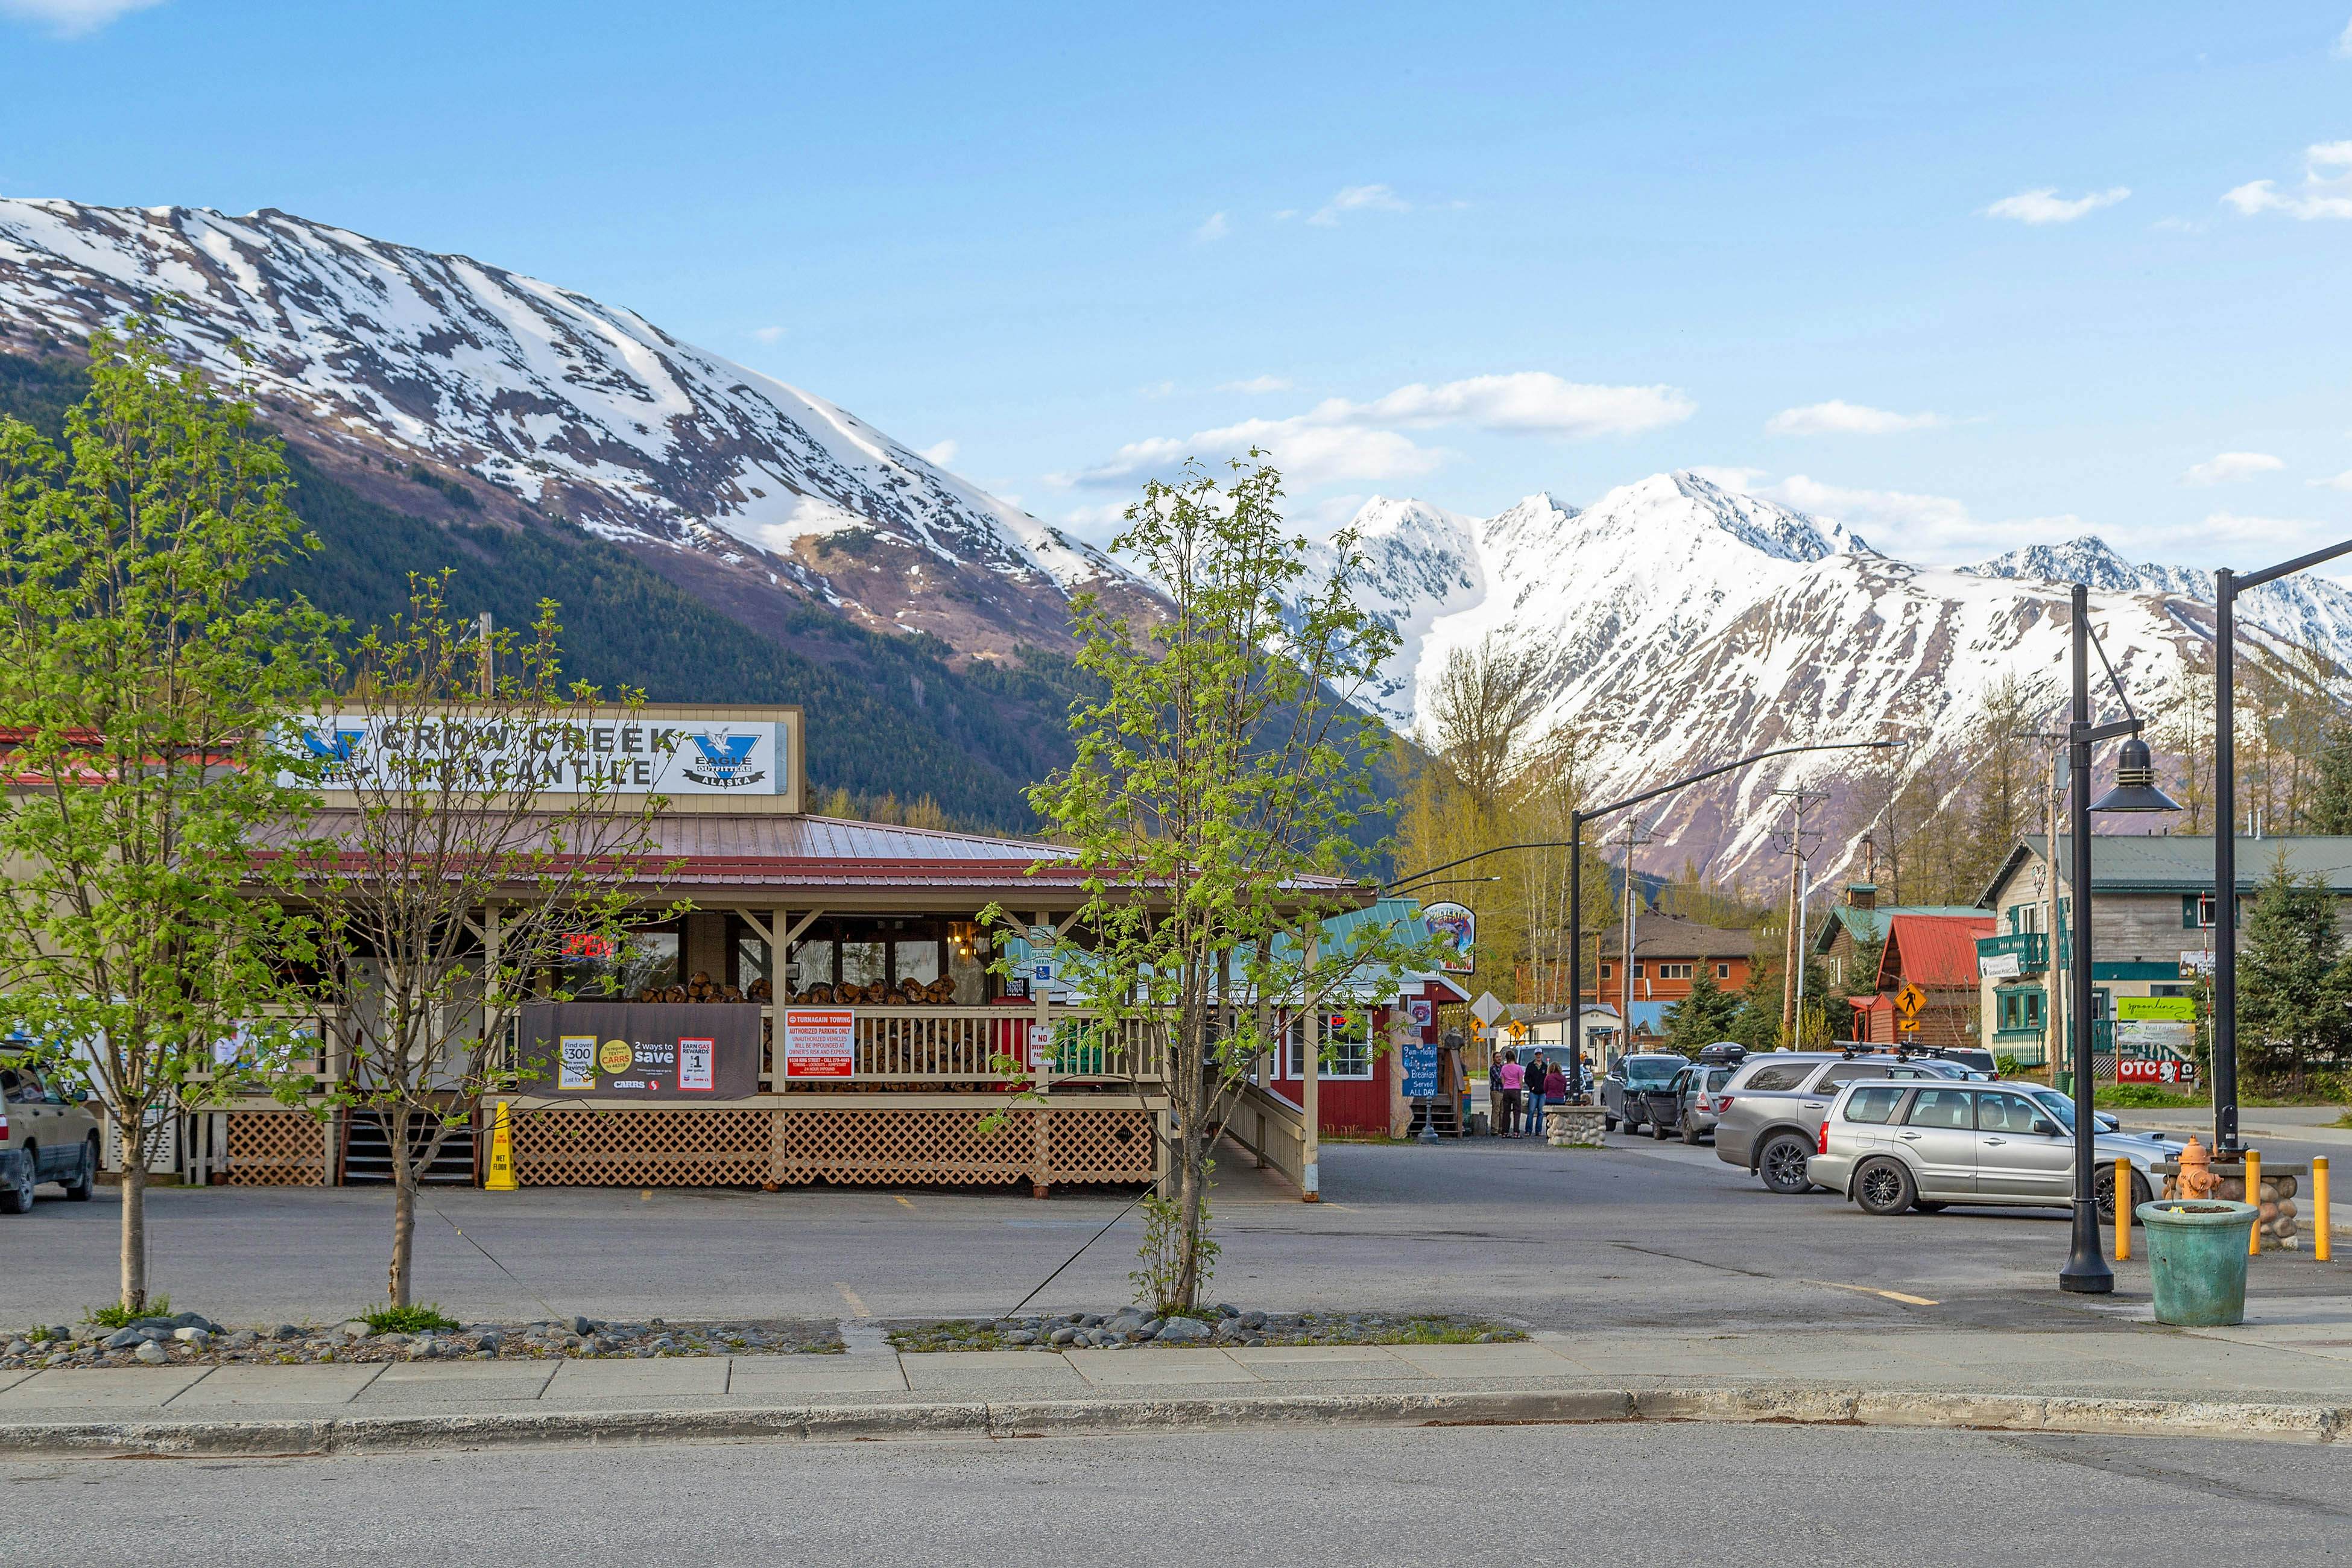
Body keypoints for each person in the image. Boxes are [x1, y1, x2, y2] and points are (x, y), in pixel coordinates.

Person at [1497, 1048, 1525, 1139]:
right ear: (1514, 1057)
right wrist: (1519, 1088)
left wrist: (1507, 1086)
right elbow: (1521, 1081)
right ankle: (1516, 1132)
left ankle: (1505, 1132)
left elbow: (1503, 1081)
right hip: (1516, 1090)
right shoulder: (1518, 1068)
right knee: (1517, 1112)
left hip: (1507, 1090)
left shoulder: (1504, 1068)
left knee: (1506, 1112)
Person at [1522, 1049, 1547, 1136]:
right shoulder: (1530, 1066)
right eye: (1537, 1054)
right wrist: (1531, 1086)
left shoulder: (1545, 1066)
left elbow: (1547, 1079)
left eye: (1540, 1054)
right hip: (1533, 1092)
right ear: (1535, 1055)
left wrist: (1545, 1088)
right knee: (1531, 1111)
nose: (1538, 1056)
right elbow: (1526, 1078)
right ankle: (1528, 1130)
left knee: (1541, 1112)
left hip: (1542, 1093)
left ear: (1542, 1055)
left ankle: (1538, 1131)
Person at [1487, 1048, 1507, 1137]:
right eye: (1497, 1057)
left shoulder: (1503, 1067)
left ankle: (1501, 1129)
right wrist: (1507, 1079)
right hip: (1496, 1091)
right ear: (1494, 1059)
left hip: (1503, 1091)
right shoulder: (1493, 1068)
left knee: (1503, 1111)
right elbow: (1499, 1079)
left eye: (1500, 1057)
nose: (1499, 1058)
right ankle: (1494, 1129)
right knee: (1496, 1110)